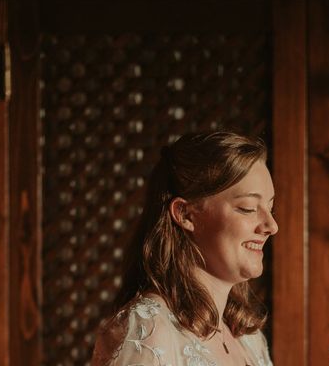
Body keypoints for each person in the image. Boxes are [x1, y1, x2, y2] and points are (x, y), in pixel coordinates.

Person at [92, 131, 278, 366]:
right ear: (186, 214)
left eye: (271, 208)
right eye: (248, 208)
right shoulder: (150, 331)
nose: (272, 226)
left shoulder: (249, 338)